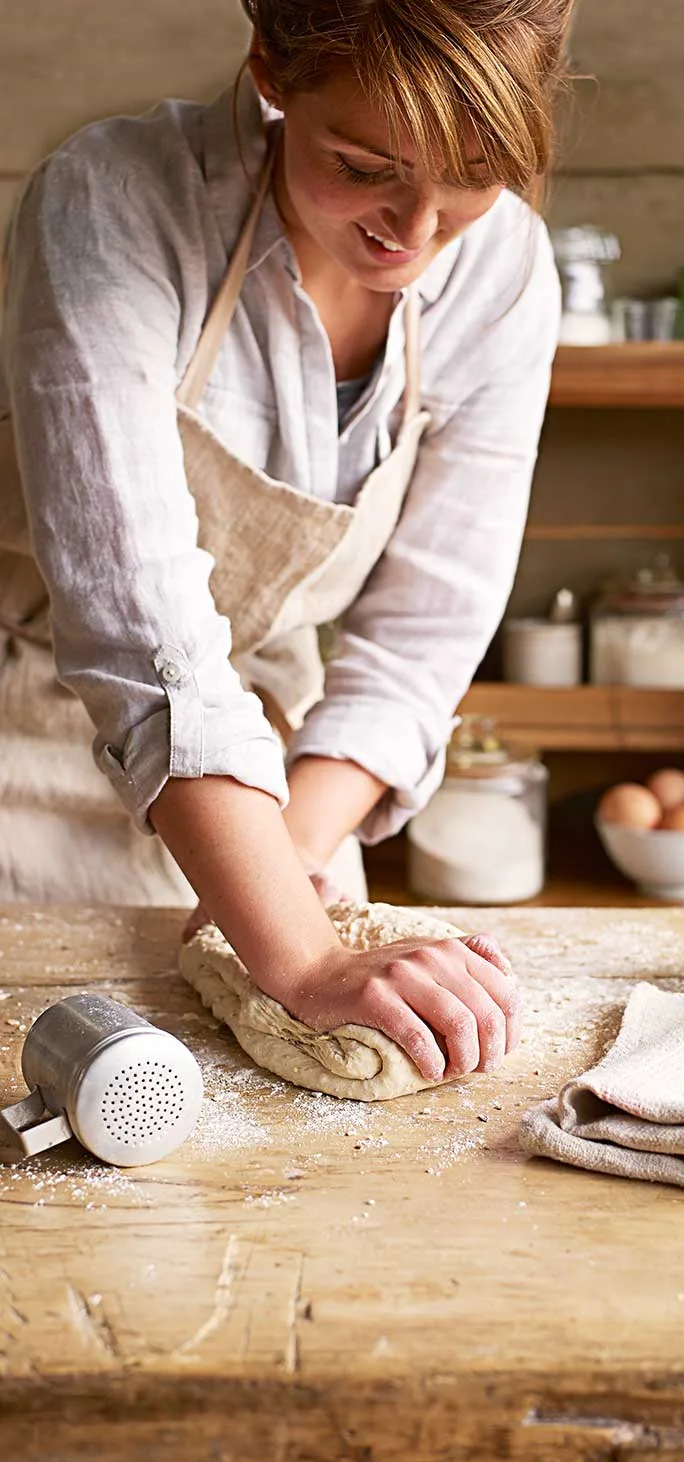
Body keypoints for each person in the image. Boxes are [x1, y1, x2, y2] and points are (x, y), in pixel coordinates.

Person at [0, 0, 575, 1086]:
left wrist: (291, 872)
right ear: (270, 67)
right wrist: (301, 960)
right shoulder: (116, 200)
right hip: (28, 739)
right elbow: (141, 633)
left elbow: (418, 638)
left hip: (285, 769)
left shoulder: (501, 271)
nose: (411, 238)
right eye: (362, 169)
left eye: (462, 191)